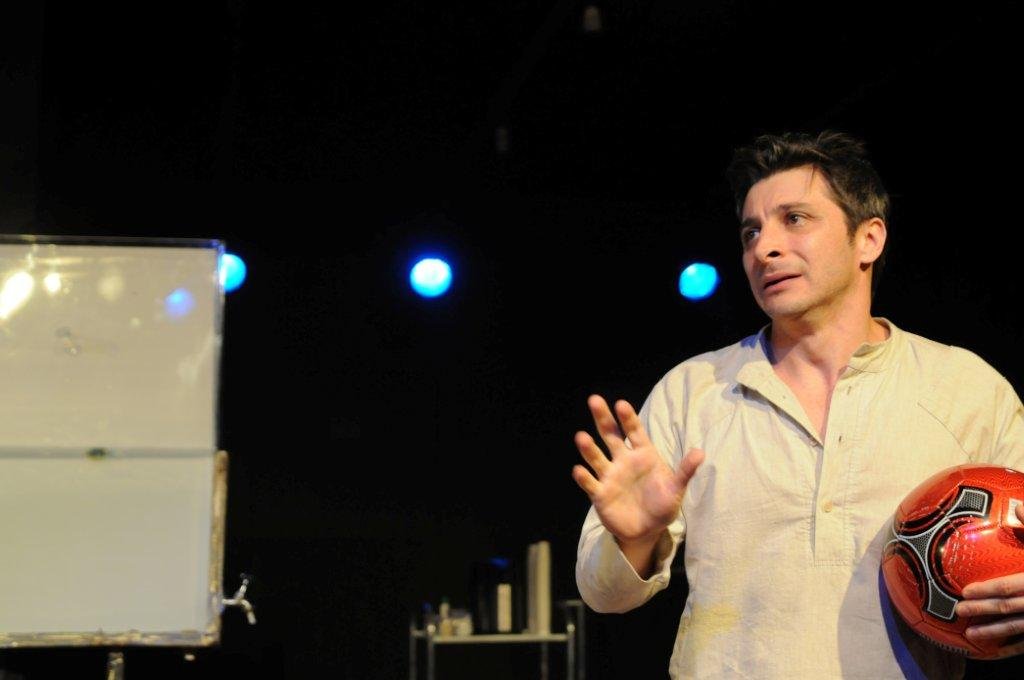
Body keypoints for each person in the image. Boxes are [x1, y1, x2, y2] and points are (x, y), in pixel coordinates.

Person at [571, 131, 1024, 678]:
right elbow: (603, 595)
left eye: (795, 219)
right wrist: (636, 537)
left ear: (869, 239)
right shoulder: (692, 390)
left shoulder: (968, 388)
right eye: (751, 232)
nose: (764, 248)